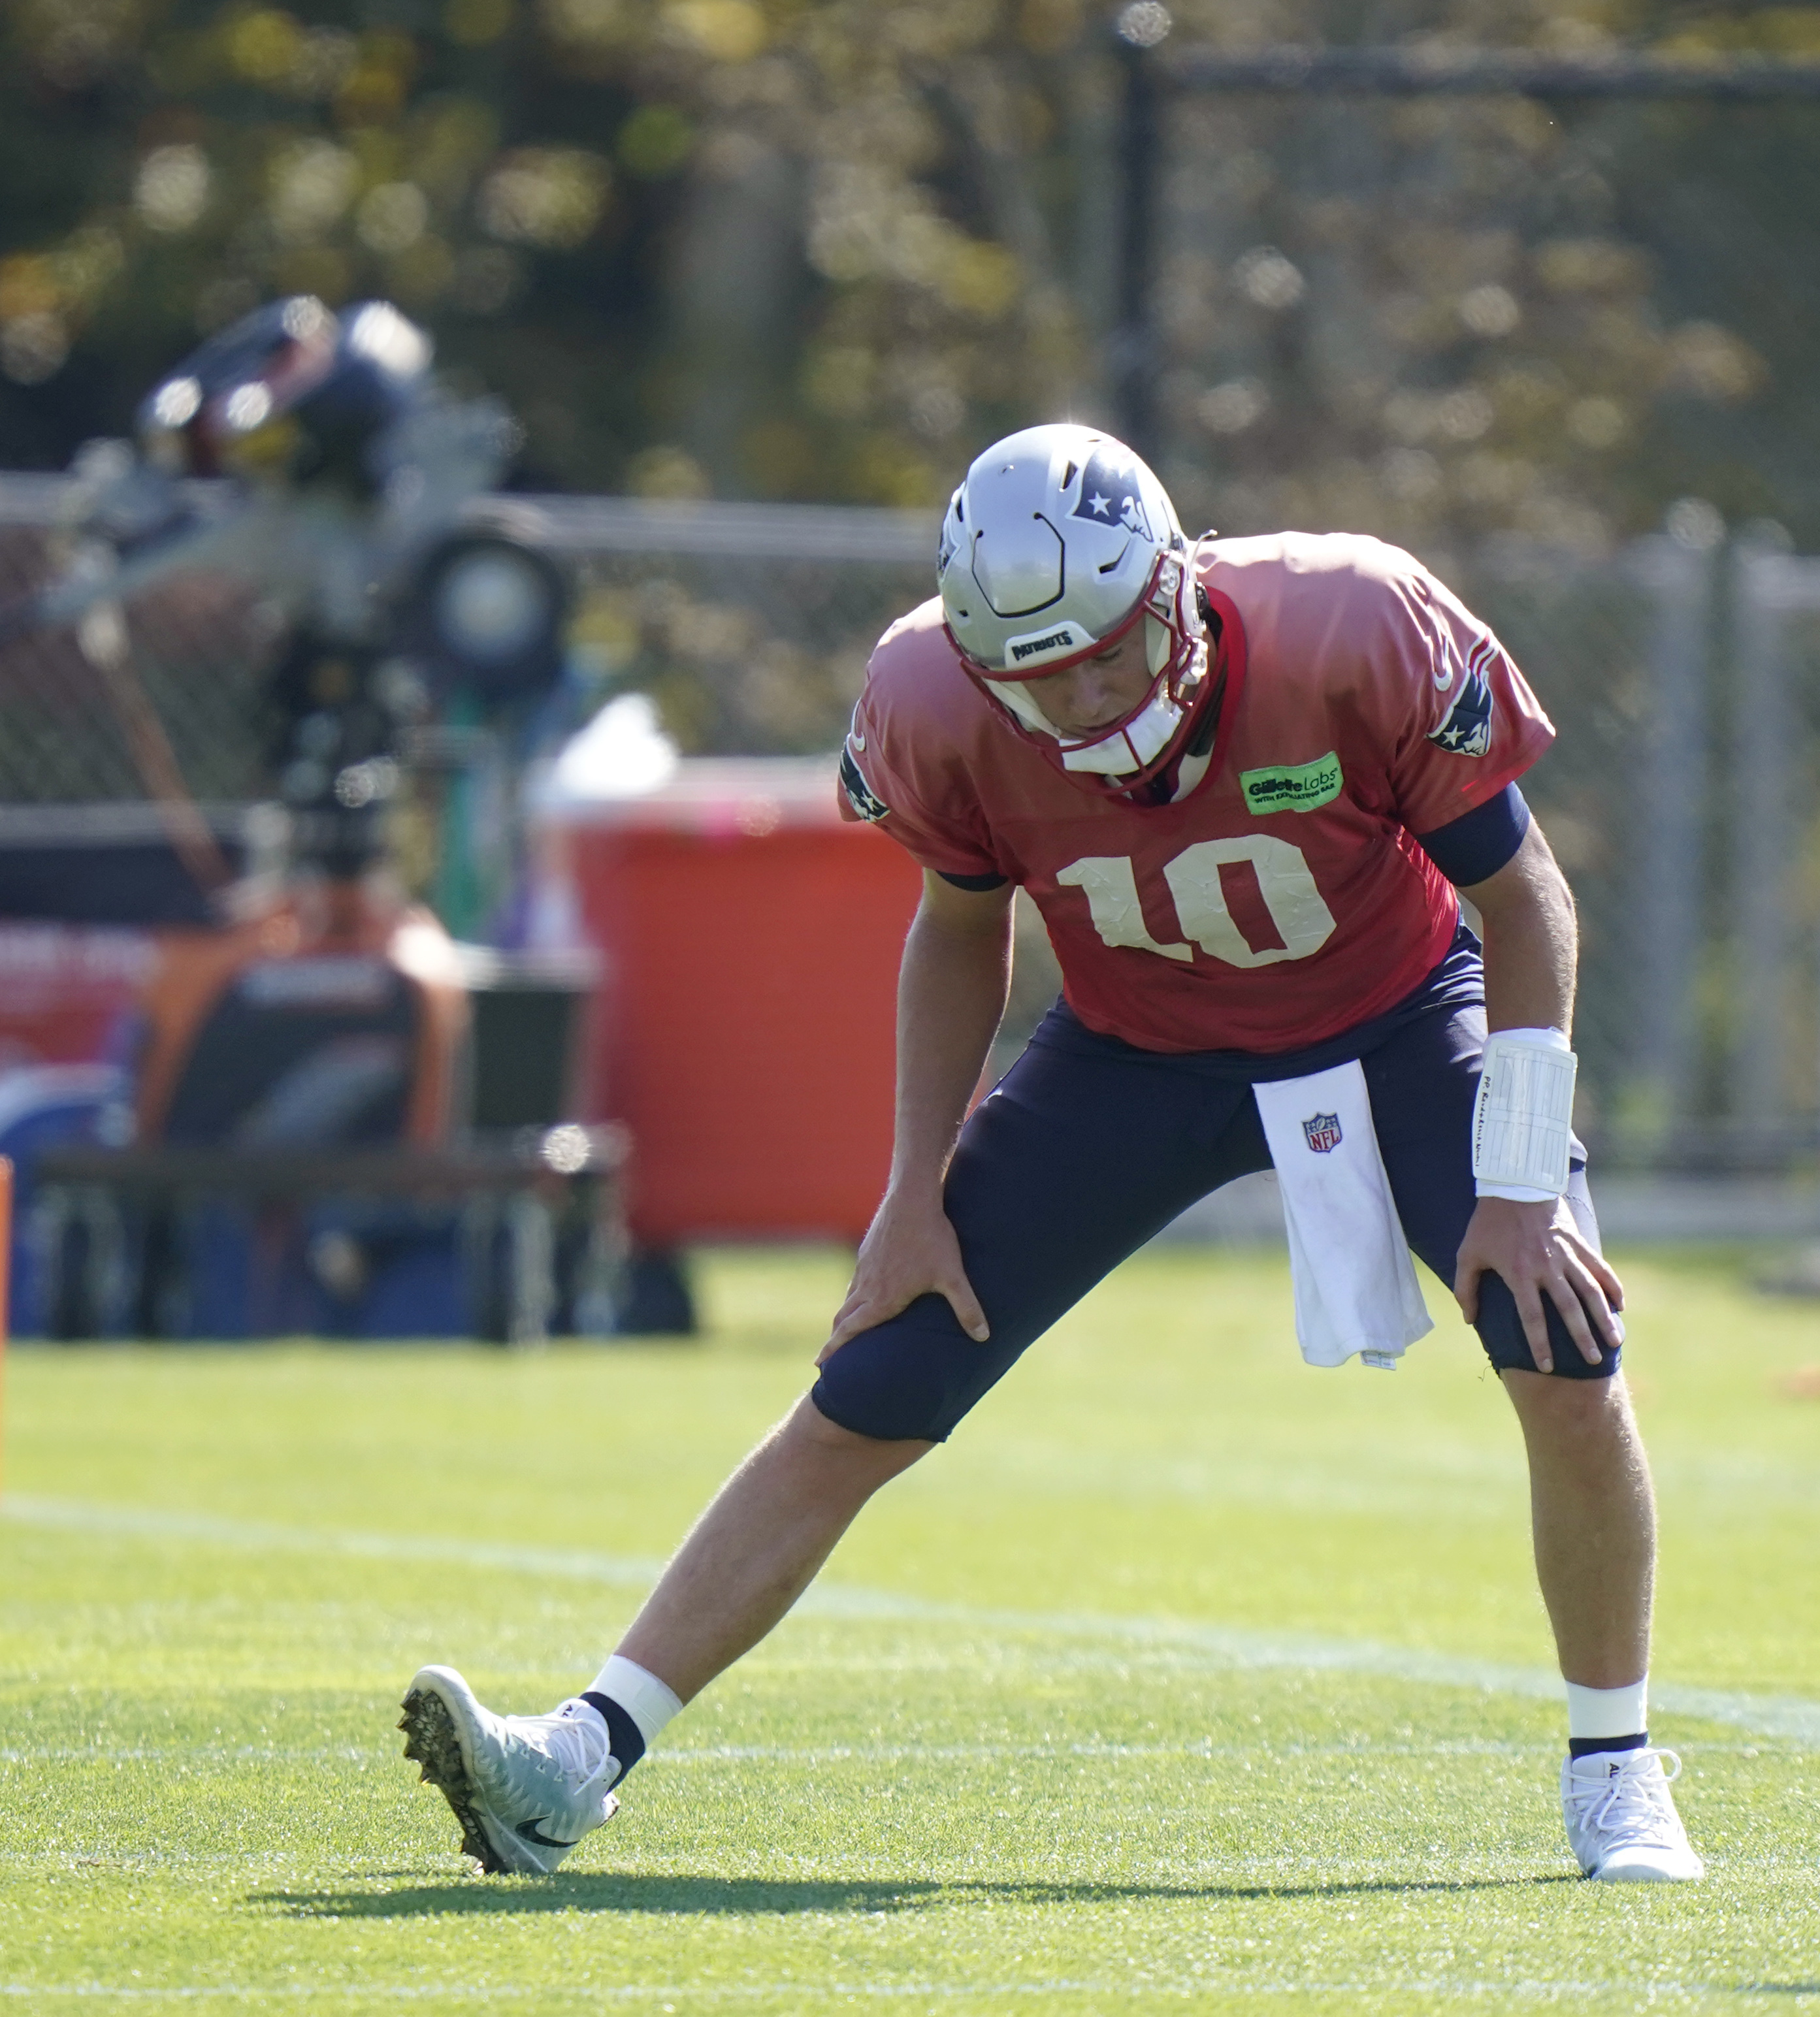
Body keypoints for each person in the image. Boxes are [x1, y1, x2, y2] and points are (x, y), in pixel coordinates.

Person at [397, 424, 1702, 1885]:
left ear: (1171, 587)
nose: (1077, 694)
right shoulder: (928, 699)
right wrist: (907, 1194)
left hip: (1396, 1012)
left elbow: (1524, 899)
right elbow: (959, 930)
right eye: (1037, 671)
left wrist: (1521, 1183)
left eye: (1100, 651)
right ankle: (577, 1760)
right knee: (881, 1371)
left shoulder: (1350, 621)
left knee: (1560, 1340)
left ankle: (1616, 1765)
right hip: (1133, 1049)